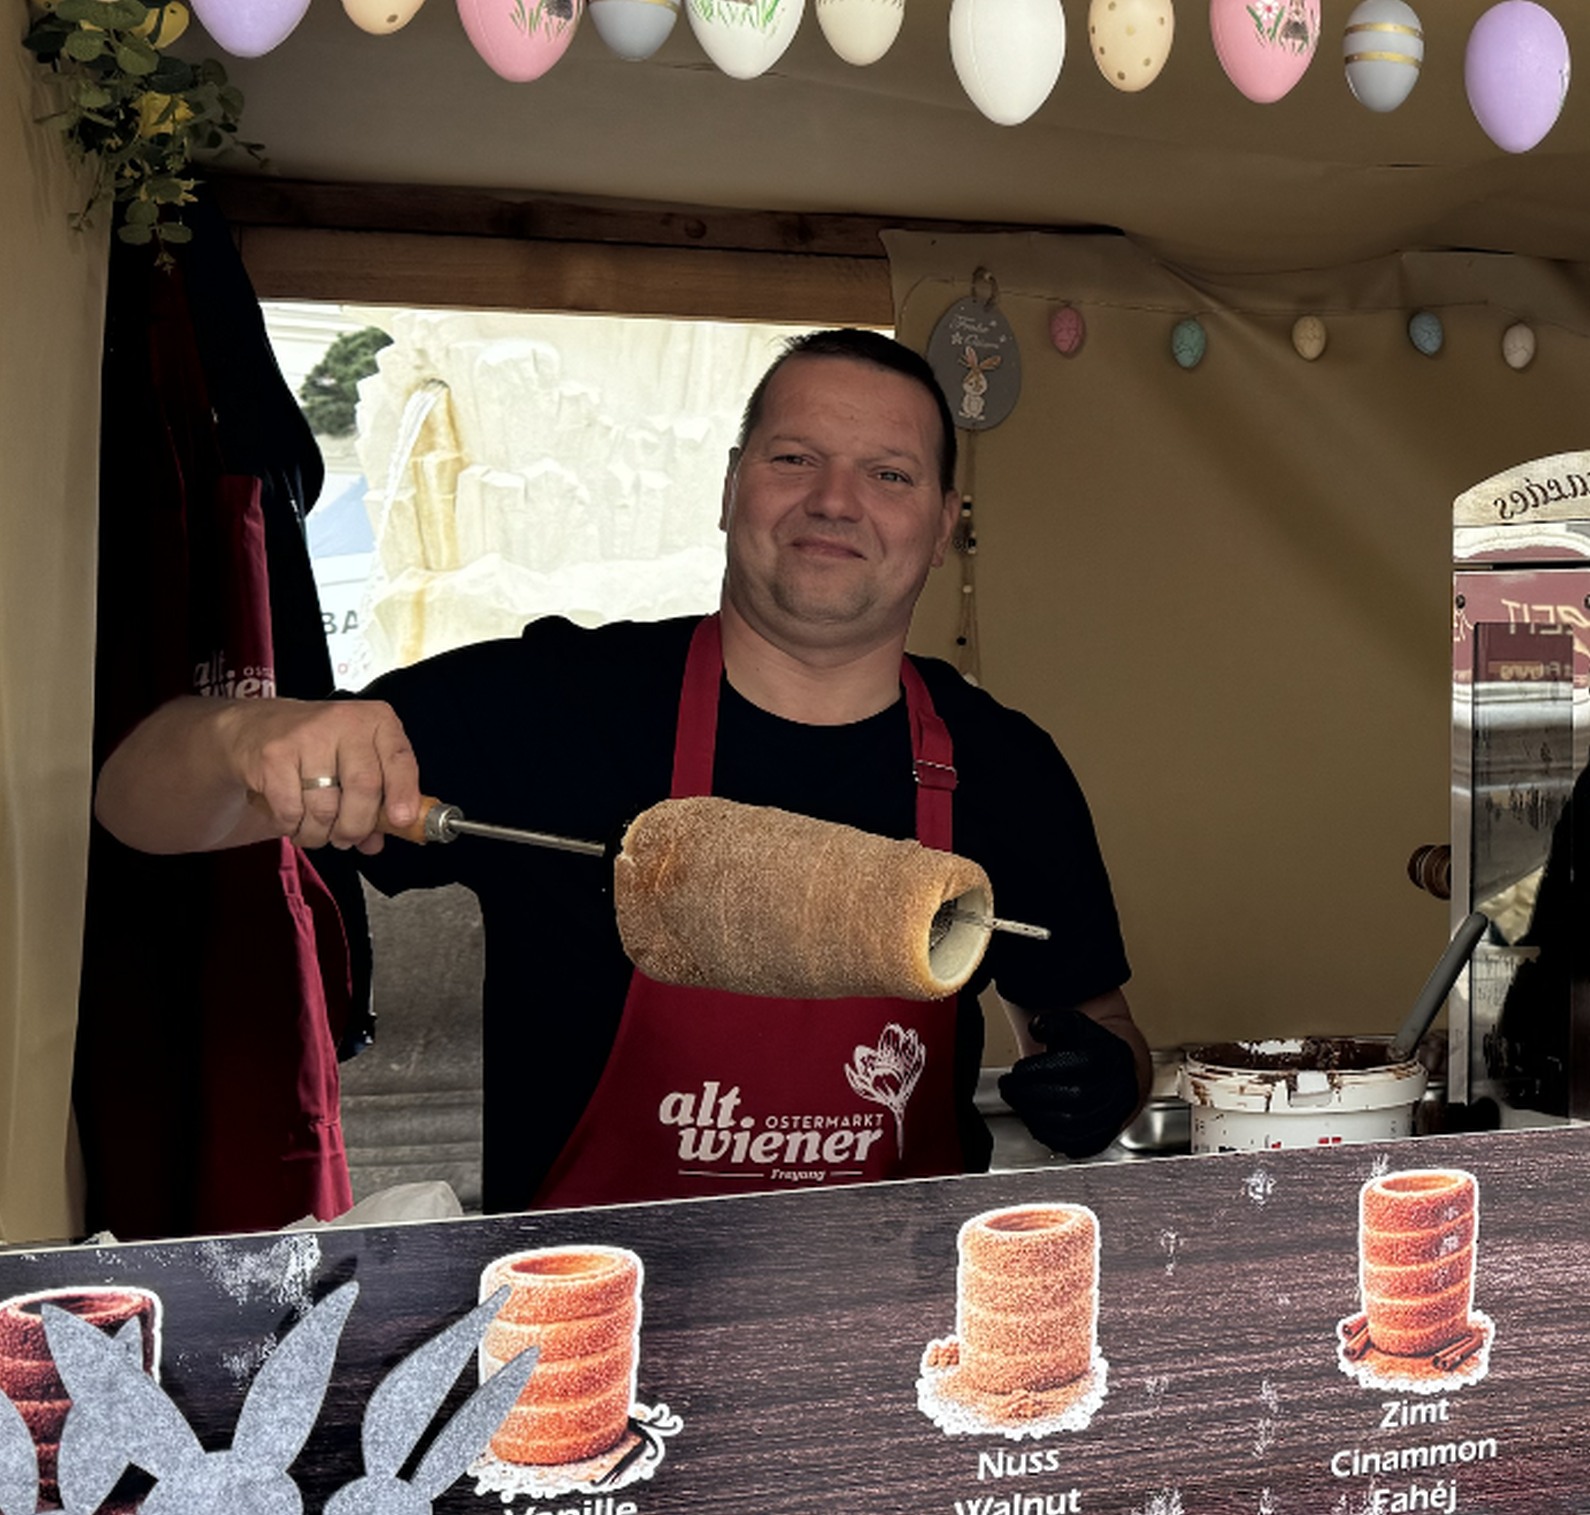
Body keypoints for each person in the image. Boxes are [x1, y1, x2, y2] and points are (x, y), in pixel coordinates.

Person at [95, 328, 1148, 1209]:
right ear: (731, 490)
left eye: (888, 473)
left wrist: (1104, 1078)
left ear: (945, 527)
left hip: (889, 1349)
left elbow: (1097, 1027)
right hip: (581, 1347)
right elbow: (132, 803)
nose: (835, 500)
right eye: (793, 459)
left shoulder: (1005, 765)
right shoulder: (556, 704)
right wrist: (246, 739)